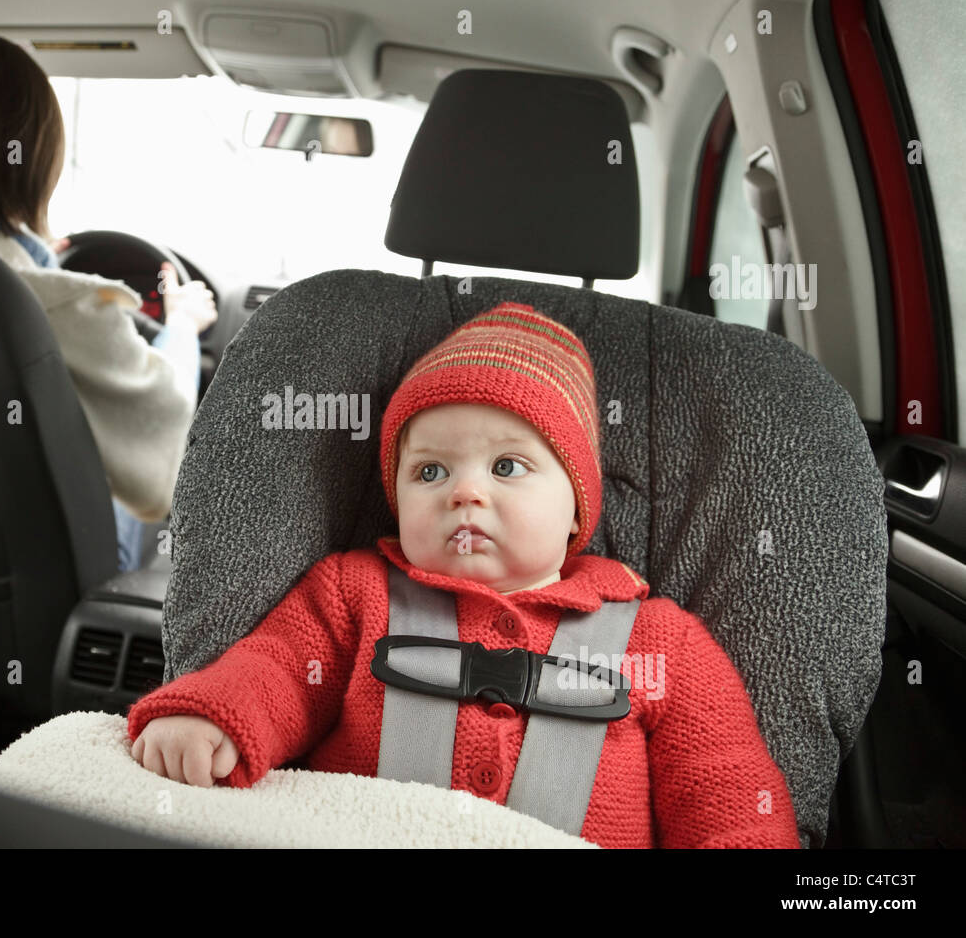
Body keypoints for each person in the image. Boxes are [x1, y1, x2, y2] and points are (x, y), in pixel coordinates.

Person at [125, 303, 801, 848]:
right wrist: (212, 717)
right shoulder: (353, 594)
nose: (464, 493)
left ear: (577, 510)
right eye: (430, 471)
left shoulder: (660, 641)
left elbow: (726, 789)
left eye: (507, 467)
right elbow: (275, 670)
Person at [0, 21, 216, 572]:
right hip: (26, 611)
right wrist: (181, 328)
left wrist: (33, 253)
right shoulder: (53, 304)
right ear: (33, 163)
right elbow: (158, 472)